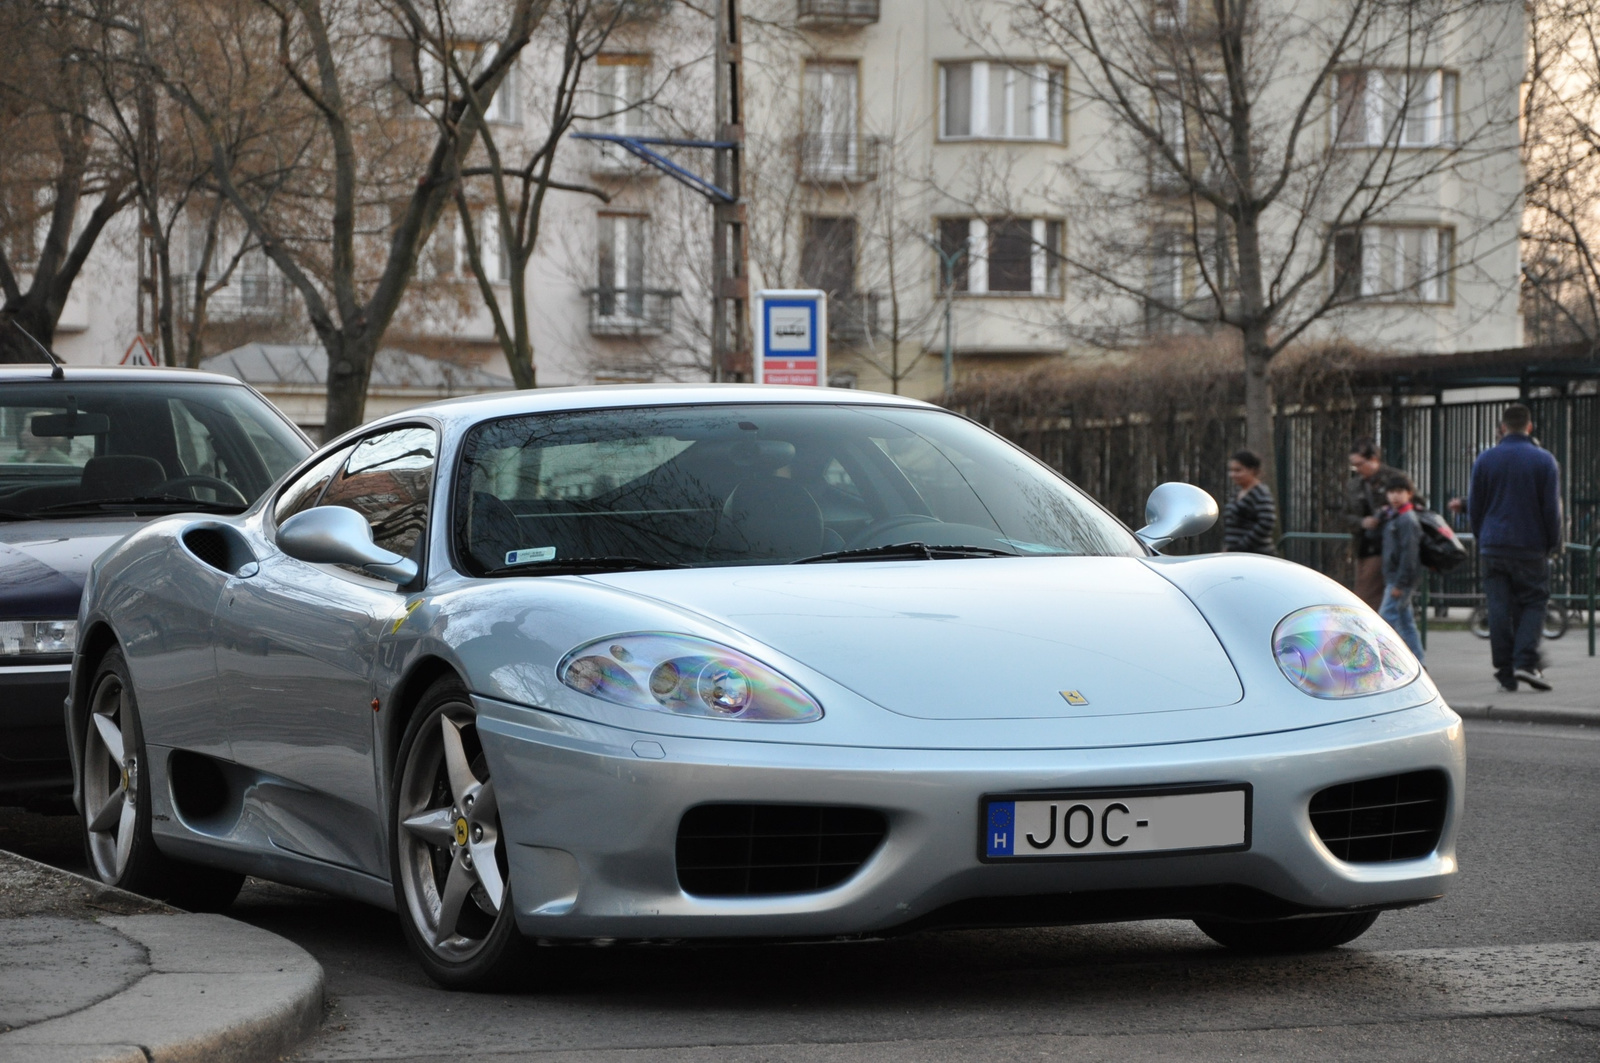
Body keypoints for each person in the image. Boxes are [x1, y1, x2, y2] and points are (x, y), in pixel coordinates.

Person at [1467, 403, 1563, 692]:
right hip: (1530, 545)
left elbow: (1475, 507)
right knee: (1534, 602)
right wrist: (1552, 543)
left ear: (1502, 427)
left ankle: (1505, 672)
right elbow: (1551, 510)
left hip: (1492, 545)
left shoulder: (1485, 460)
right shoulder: (1544, 461)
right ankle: (1524, 662)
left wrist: (1481, 537)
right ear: (1530, 427)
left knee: (1498, 608)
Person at [1344, 438, 1405, 610]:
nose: (1357, 469)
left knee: (1367, 598)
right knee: (1370, 597)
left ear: (1374, 459)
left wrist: (1388, 514)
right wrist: (1362, 522)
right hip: (1364, 546)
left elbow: (1414, 507)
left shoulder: (1395, 479)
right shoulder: (1354, 484)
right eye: (1353, 465)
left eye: (1360, 464)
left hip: (1389, 545)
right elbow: (1344, 515)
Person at [1378, 473, 1425, 662]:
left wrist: (1400, 583)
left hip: (1399, 580)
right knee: (1406, 623)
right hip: (1395, 578)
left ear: (1409, 494)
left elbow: (1409, 554)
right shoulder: (1394, 517)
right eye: (1391, 492)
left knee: (1384, 622)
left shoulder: (1407, 520)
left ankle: (1385, 660)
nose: (1394, 497)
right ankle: (1419, 661)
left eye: (1399, 492)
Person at [1222, 449, 1276, 554]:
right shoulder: (1237, 492)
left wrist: (1241, 546)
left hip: (1256, 555)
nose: (1232, 475)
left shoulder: (1260, 492)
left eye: (1238, 470)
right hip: (1236, 554)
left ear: (1252, 470)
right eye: (1231, 470)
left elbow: (1266, 522)